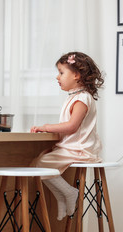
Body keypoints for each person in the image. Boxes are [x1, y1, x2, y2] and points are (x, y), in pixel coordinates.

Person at [30, 52, 104, 221]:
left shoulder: (82, 99)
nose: (57, 77)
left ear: (76, 75)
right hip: (72, 147)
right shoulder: (74, 97)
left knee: (41, 164)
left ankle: (69, 193)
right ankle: (62, 198)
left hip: (80, 148)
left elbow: (71, 126)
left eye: (61, 72)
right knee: (37, 163)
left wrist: (46, 127)